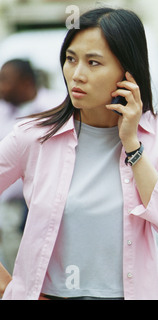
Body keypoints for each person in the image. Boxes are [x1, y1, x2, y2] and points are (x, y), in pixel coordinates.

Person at [0, 7, 158, 300]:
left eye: (93, 62)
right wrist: (6, 285)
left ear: (127, 72)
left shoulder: (157, 130)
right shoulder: (34, 135)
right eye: (71, 59)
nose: (77, 75)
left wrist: (132, 145)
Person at [0, 59, 64, 274]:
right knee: (19, 275)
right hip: (12, 212)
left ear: (26, 82)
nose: (0, 85)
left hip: (47, 208)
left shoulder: (57, 108)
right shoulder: (2, 113)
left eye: (4, 79)